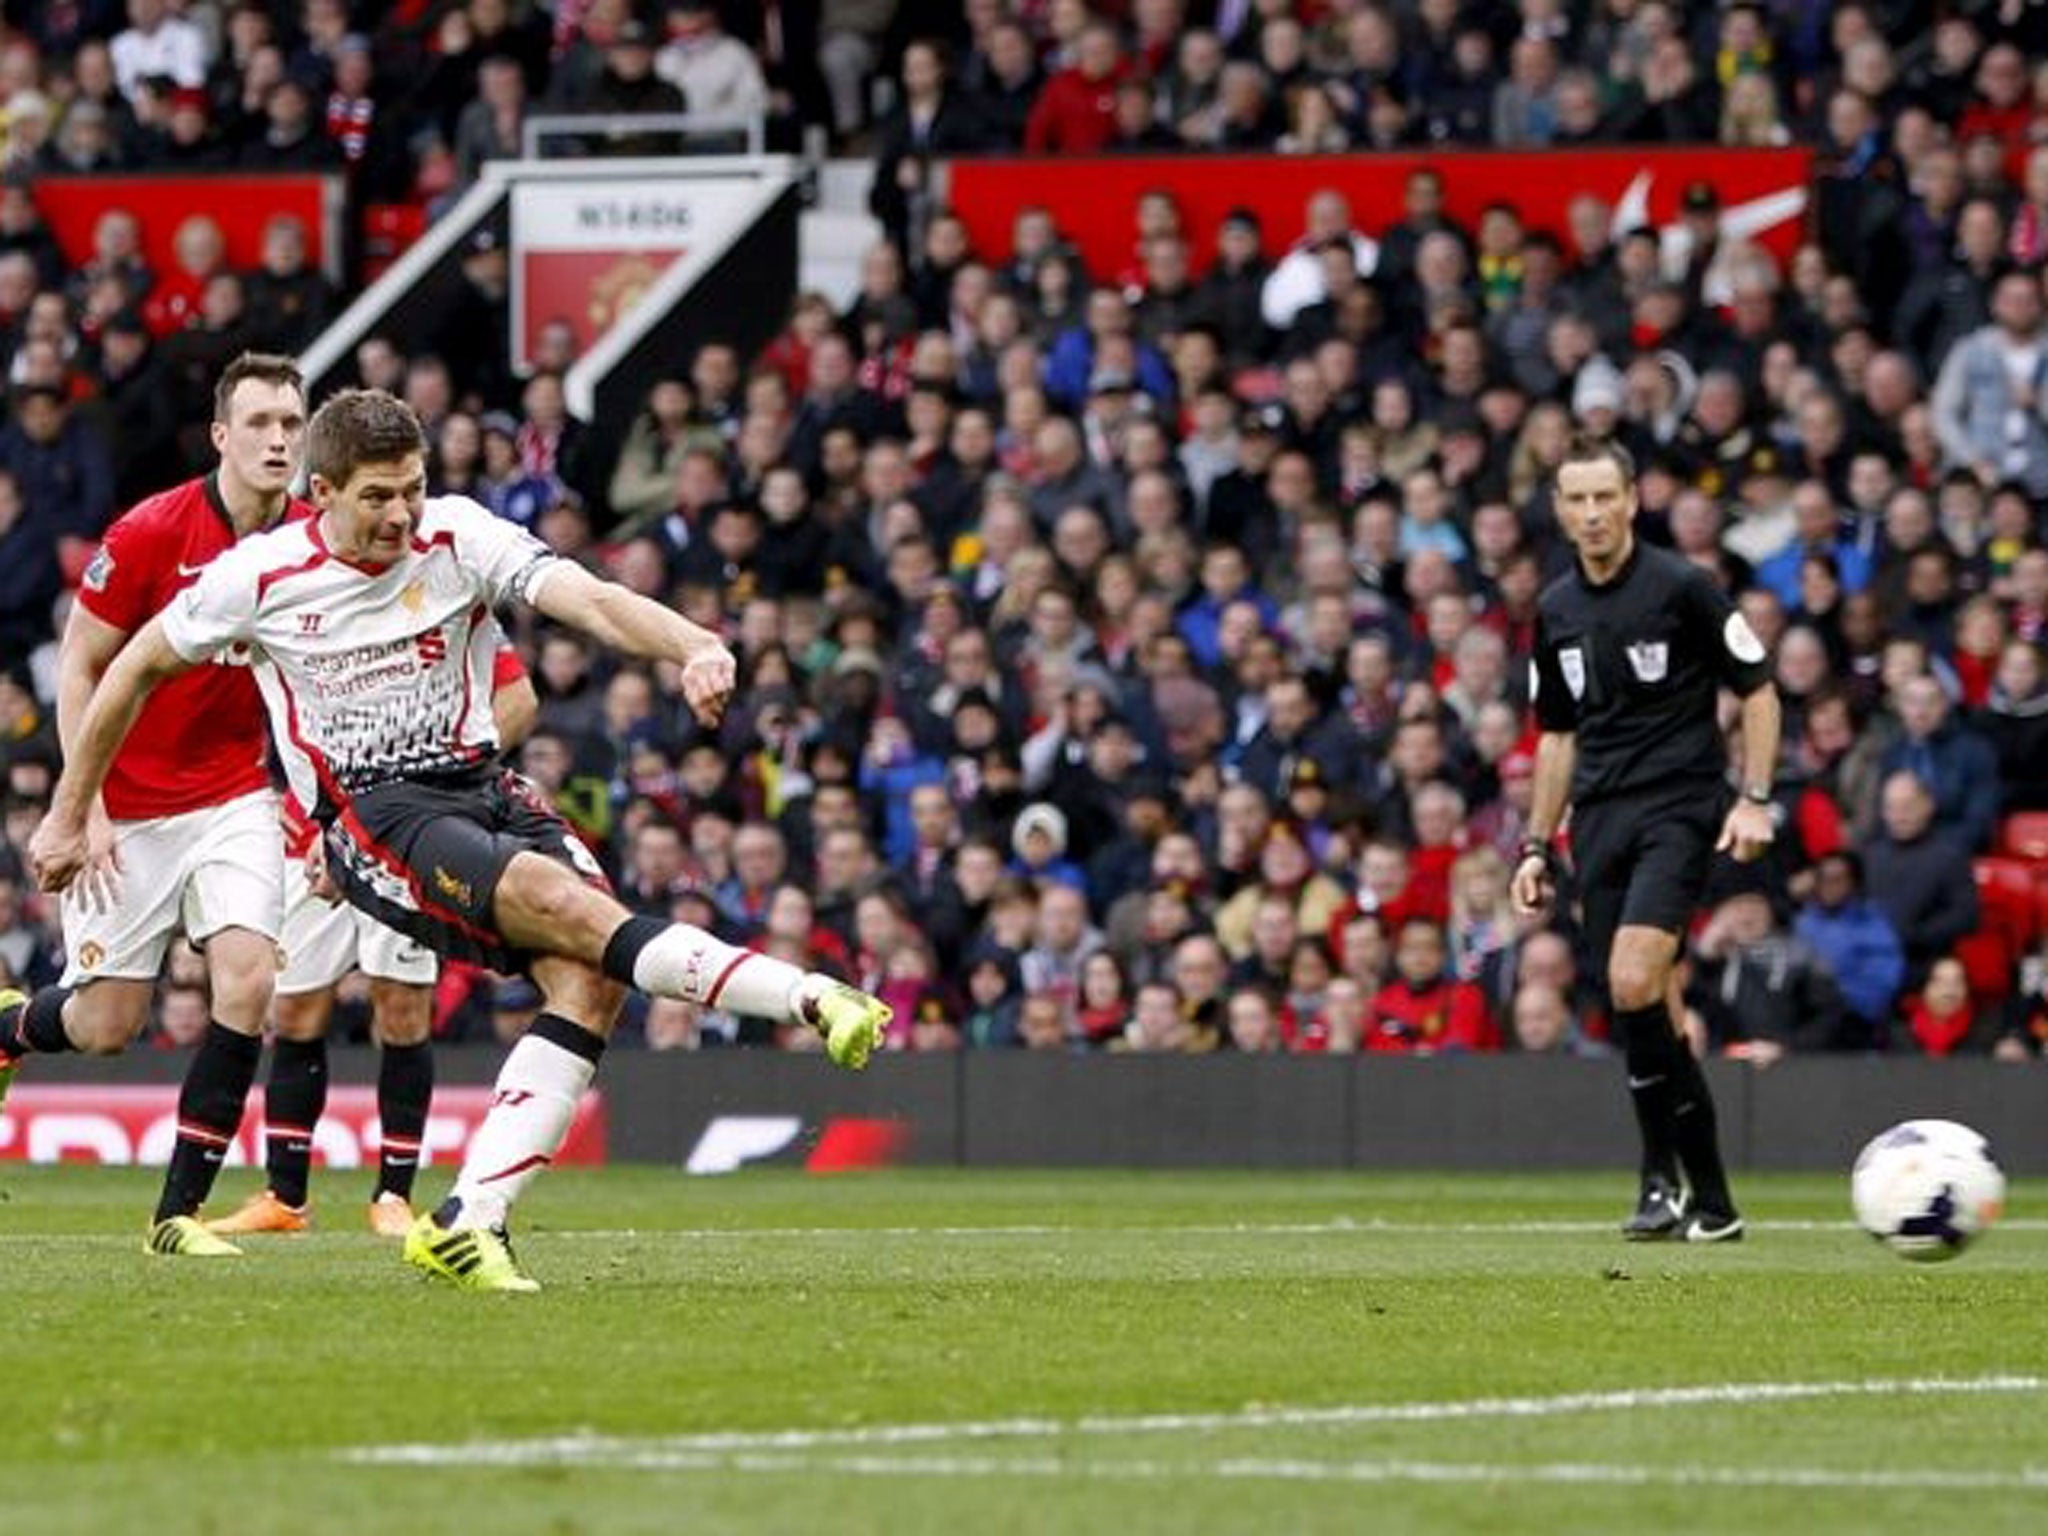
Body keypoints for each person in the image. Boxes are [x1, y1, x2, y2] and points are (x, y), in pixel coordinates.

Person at [29, 389, 892, 1293]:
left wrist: (693, 644)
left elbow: (588, 599)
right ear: (321, 491)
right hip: (375, 818)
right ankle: (806, 997)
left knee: (590, 981)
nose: (401, 513)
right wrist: (69, 808)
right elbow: (130, 668)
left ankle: (468, 1220)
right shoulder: (259, 577)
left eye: (412, 488)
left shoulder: (458, 536)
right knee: (570, 913)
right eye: (377, 496)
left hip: (484, 788)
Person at [0, 353, 308, 1258]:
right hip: (125, 805)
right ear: (221, 435)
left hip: (235, 794)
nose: (278, 440)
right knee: (105, 1027)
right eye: (259, 423)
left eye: (291, 423)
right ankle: (8, 1026)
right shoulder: (149, 530)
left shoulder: (307, 543)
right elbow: (81, 666)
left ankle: (177, 1215)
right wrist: (80, 804)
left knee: (249, 977)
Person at [1513, 435, 1779, 1244]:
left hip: (1680, 806)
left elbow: (1758, 688)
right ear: (1560, 511)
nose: (1592, 513)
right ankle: (1710, 1197)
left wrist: (1754, 797)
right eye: (1577, 500)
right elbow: (1557, 738)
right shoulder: (1555, 610)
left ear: (1632, 501)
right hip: (1598, 819)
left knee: (1632, 980)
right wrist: (1533, 845)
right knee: (1651, 1005)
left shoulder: (1682, 588)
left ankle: (1658, 1178)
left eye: (1605, 497)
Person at [206, 637, 537, 1240]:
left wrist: (429, 789)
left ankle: (394, 1194)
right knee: (297, 1009)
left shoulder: (440, 593)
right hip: (302, 836)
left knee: (403, 1007)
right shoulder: (289, 594)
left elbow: (517, 698)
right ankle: (284, 1197)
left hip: (406, 835)